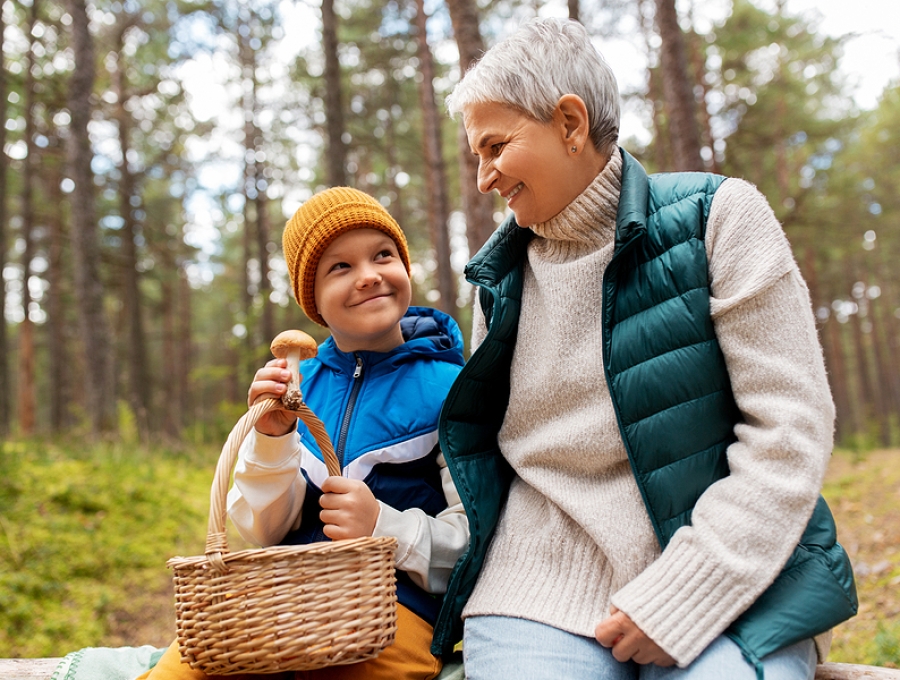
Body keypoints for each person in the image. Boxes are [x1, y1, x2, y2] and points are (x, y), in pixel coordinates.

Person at [429, 17, 856, 680]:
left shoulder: (719, 218)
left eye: (495, 146)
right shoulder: (498, 282)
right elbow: (479, 452)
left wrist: (686, 593)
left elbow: (789, 428)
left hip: (725, 568)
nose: (483, 177)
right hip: (534, 588)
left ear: (570, 122)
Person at [139, 187, 468, 680]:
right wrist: (272, 439)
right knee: (184, 670)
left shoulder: (453, 391)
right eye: (340, 267)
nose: (369, 275)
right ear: (310, 298)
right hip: (280, 599)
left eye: (383, 255)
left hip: (392, 612)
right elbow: (261, 531)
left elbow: (473, 546)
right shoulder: (297, 388)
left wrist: (382, 525)